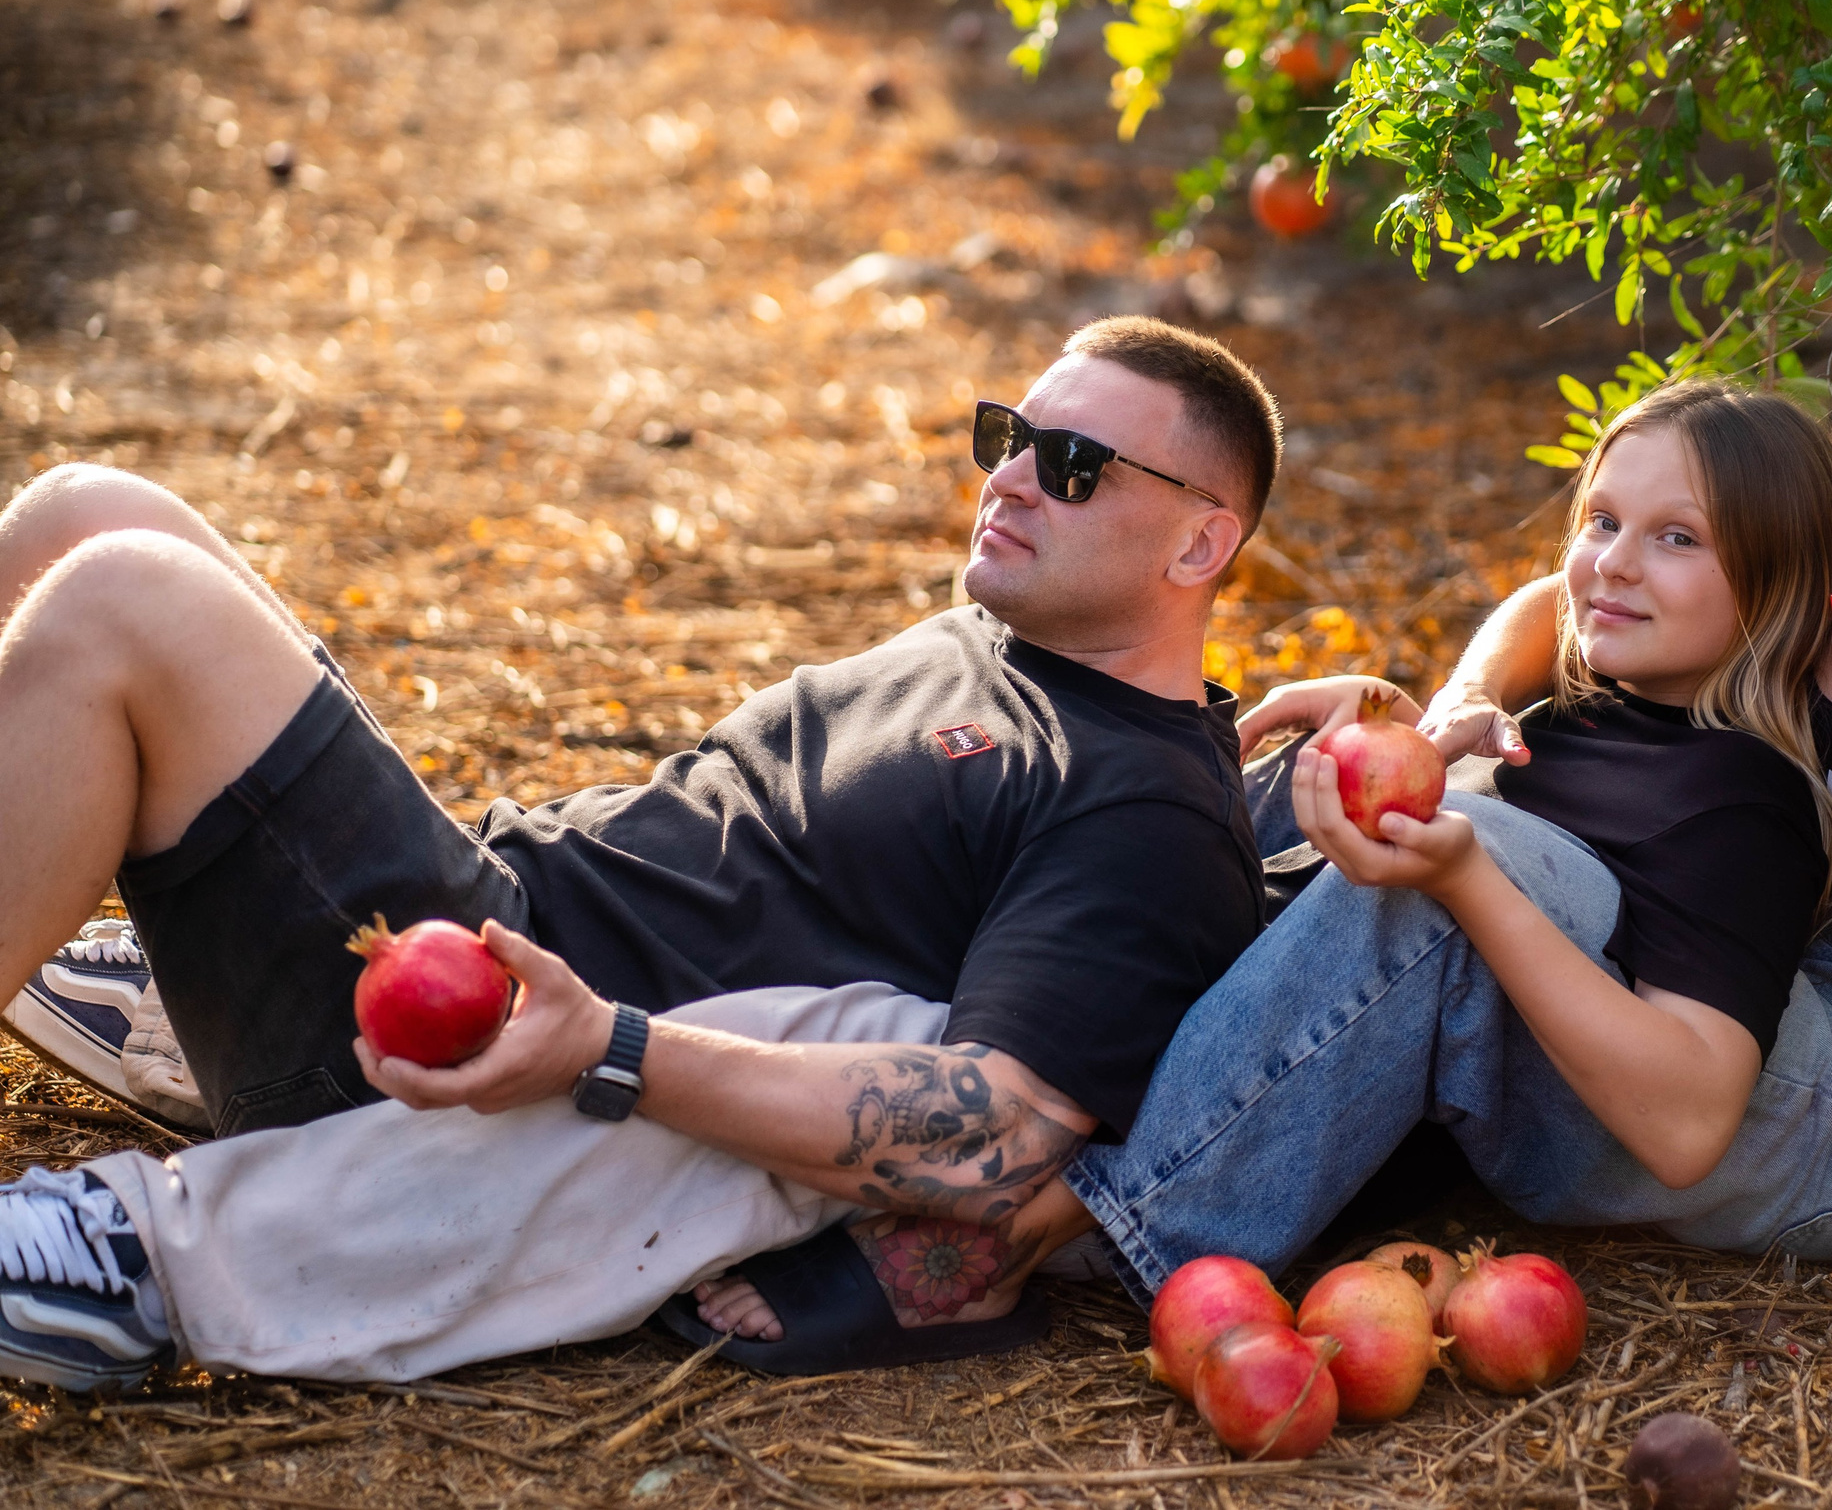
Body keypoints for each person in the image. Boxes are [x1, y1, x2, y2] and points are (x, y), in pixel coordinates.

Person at [685, 186, 1832, 1330]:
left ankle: (1069, 1229)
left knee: (1478, 875)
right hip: (1747, 952)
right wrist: (1435, 715)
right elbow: (1546, 600)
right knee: (1322, 807)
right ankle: (979, 1048)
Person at [0, 316, 1281, 1390]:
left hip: (470, 1051)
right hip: (471, 910)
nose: (1006, 476)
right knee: (80, 509)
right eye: (1008, 436)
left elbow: (986, 1139)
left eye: (1070, 464)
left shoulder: (1143, 815)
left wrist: (608, 1047)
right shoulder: (1002, 647)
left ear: (1198, 545)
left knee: (124, 595)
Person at [699, 377, 1832, 1343]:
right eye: (1602, 522)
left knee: (1465, 875)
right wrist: (1388, 730)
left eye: (1675, 540)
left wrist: (1461, 876)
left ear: (1771, 584)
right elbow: (1521, 633)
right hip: (1450, 1068)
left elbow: (1683, 1129)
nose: (1612, 564)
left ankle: (1028, 1228)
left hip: (1589, 1128)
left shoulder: (1742, 800)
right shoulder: (1586, 699)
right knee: (1238, 792)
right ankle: (1003, 1049)